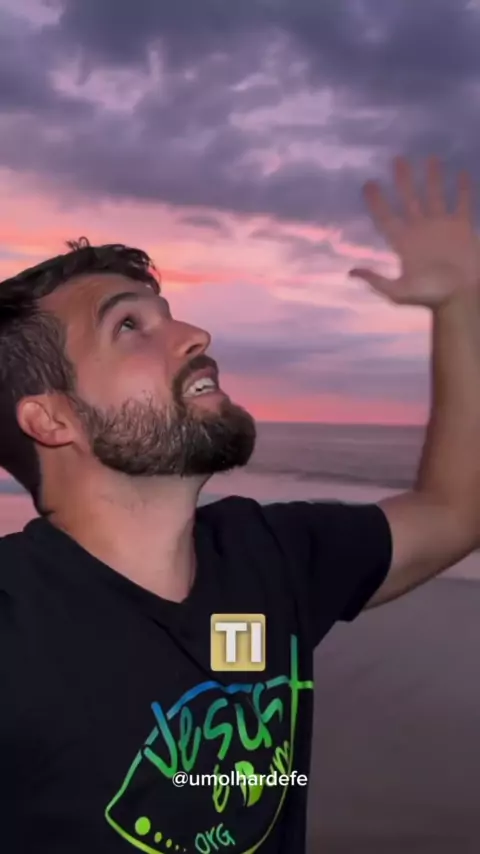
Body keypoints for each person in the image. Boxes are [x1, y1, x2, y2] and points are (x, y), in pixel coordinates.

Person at [1, 156, 480, 854]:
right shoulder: (17, 626)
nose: (194, 334)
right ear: (52, 420)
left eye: (169, 316)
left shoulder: (272, 557)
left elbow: (456, 508)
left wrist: (461, 305)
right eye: (129, 326)